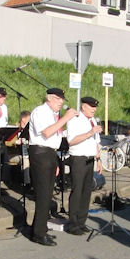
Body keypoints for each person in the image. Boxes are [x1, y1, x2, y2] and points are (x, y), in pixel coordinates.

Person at [28, 88, 78, 246]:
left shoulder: (53, 115)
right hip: (40, 152)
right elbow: (47, 133)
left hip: (50, 153)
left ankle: (39, 227)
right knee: (43, 194)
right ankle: (39, 234)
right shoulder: (40, 111)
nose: (61, 102)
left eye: (62, 99)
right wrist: (66, 118)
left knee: (47, 194)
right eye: (57, 99)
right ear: (49, 98)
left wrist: (55, 161)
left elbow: (54, 138)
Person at [66, 96, 103, 235]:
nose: (94, 109)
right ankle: (73, 224)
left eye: (95, 107)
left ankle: (81, 222)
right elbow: (72, 140)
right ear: (83, 107)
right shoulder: (75, 120)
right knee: (77, 191)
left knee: (87, 192)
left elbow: (96, 142)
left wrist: (98, 159)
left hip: (90, 159)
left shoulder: (92, 120)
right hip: (79, 159)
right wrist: (90, 133)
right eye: (91, 106)